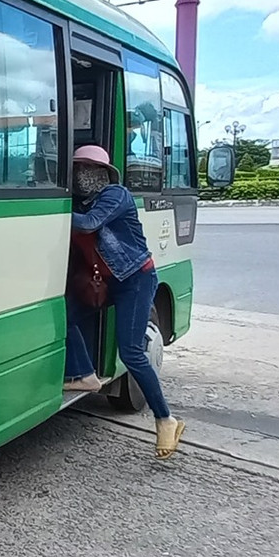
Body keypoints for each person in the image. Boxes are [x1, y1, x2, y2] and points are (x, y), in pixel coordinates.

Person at [63, 144, 185, 458]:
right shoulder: (80, 201)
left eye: (86, 168)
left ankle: (165, 420)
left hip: (135, 280)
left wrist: (52, 209)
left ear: (101, 173)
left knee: (131, 352)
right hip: (104, 283)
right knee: (66, 314)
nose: (81, 174)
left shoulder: (116, 195)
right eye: (77, 168)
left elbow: (90, 224)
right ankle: (87, 376)